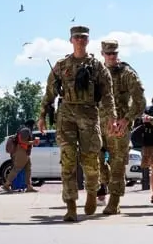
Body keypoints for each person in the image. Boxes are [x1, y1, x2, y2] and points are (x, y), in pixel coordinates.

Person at [38, 25, 116, 222]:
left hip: (89, 113)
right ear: (71, 40)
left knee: (91, 160)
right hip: (67, 114)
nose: (80, 40)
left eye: (84, 37)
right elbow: (49, 92)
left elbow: (107, 95)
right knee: (68, 160)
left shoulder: (97, 66)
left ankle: (92, 192)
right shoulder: (62, 65)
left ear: (88, 41)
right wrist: (41, 115)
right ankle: (71, 205)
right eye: (77, 37)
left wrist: (112, 119)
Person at [97, 40, 146, 215]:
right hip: (98, 125)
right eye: (108, 53)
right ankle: (106, 183)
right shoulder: (97, 73)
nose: (112, 57)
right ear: (102, 54)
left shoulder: (127, 74)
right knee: (95, 160)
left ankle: (114, 201)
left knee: (117, 163)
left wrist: (126, 120)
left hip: (119, 126)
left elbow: (140, 101)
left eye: (114, 53)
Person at [2, 120, 39, 193]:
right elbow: (21, 141)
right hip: (21, 151)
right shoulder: (26, 130)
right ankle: (6, 185)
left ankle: (29, 186)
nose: (35, 127)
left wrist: (32, 143)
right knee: (17, 168)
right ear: (31, 124)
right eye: (34, 125)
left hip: (24, 152)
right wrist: (33, 142)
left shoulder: (23, 129)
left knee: (28, 169)